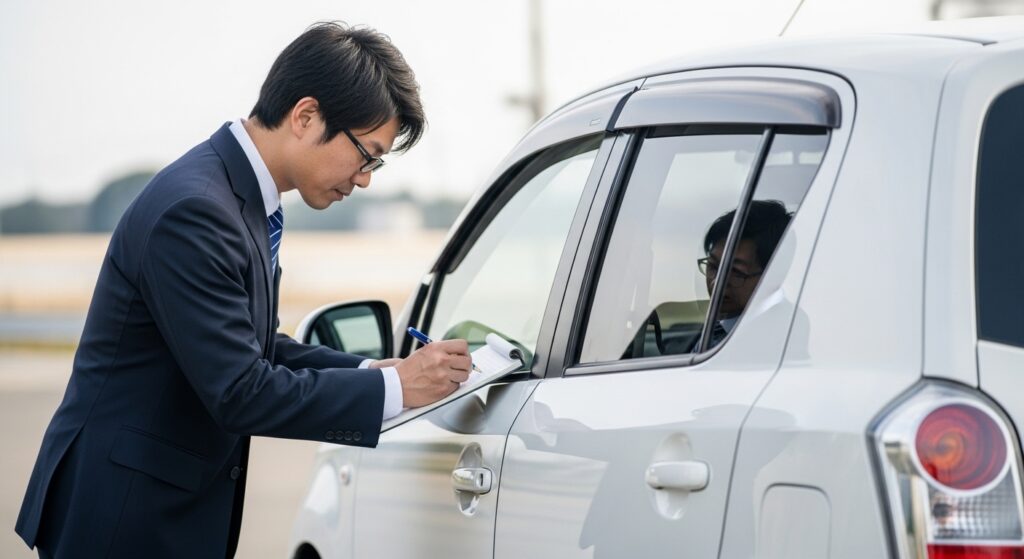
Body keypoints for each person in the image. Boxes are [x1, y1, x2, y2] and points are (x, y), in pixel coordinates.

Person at [16, 22, 471, 558]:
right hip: (124, 518)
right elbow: (239, 390)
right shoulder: (197, 210)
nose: (367, 177)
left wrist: (379, 372)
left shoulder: (241, 199)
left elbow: (255, 344)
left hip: (151, 508)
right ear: (306, 116)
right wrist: (399, 392)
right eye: (366, 154)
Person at [695, 199, 792, 350]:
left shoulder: (770, 344)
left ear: (773, 276)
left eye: (736, 272)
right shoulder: (717, 328)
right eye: (713, 266)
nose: (716, 283)